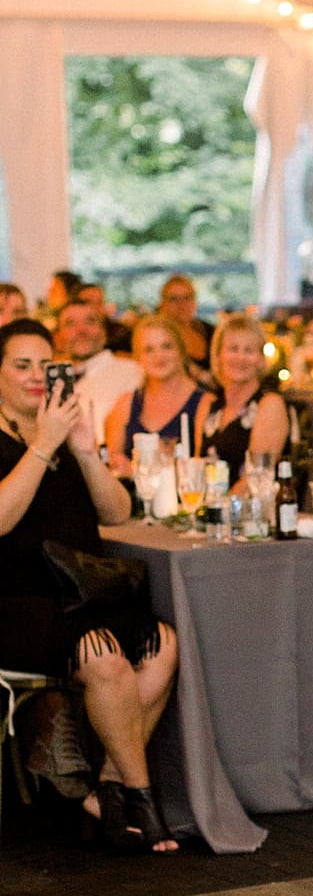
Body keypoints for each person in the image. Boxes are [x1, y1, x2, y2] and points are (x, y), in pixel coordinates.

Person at [0, 318, 178, 851]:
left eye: (45, 364)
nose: (37, 376)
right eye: (22, 365)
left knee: (163, 644)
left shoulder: (65, 430)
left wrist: (82, 450)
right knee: (104, 659)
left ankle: (107, 786)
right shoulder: (25, 437)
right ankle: (143, 800)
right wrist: (42, 445)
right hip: (17, 600)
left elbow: (117, 511)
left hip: (80, 595)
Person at [105, 316, 213, 476]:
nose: (158, 355)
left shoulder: (205, 403)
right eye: (149, 349)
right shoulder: (125, 403)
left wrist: (137, 471)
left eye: (166, 346)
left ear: (181, 350)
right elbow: (113, 463)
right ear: (138, 357)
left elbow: (203, 471)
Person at [199, 314, 289, 479]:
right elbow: (197, 466)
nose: (240, 358)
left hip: (253, 496)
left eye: (249, 350)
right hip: (207, 494)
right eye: (233, 349)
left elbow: (257, 476)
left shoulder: (270, 404)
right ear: (218, 356)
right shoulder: (209, 403)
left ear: (261, 359)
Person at [54, 299, 142, 449]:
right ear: (58, 337)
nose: (81, 330)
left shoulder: (132, 372)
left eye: (90, 321)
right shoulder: (49, 380)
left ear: (104, 331)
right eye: (70, 323)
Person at [157, 273, 214, 378]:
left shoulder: (210, 331)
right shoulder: (157, 337)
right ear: (163, 304)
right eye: (174, 299)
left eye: (187, 297)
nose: (181, 304)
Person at [76, 281, 134, 354]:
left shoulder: (121, 334)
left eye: (99, 302)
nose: (95, 307)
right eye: (88, 302)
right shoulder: (70, 333)